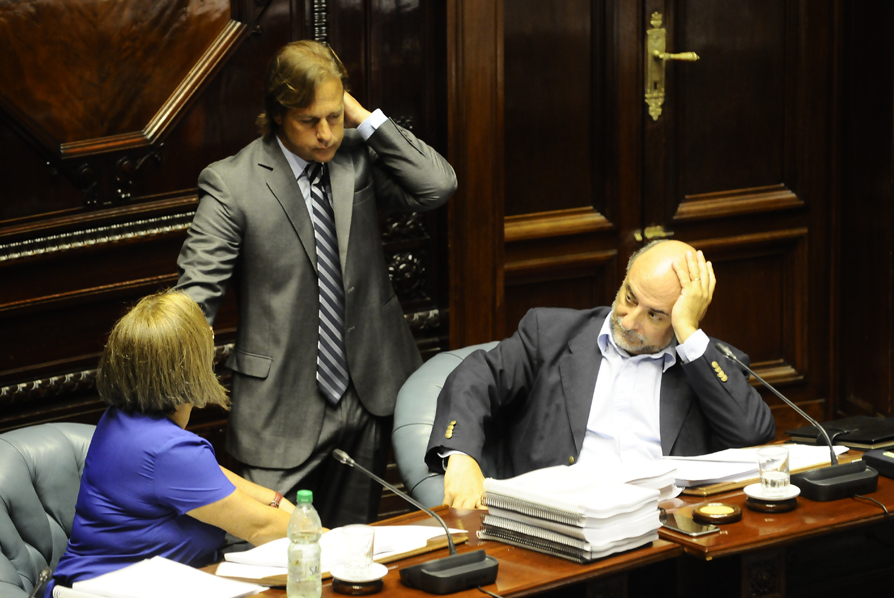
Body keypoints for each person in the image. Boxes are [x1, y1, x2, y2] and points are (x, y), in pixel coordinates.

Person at [176, 40, 457, 527]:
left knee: (350, 555)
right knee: (268, 562)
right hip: (279, 410)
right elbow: (195, 299)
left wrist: (361, 115)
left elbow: (437, 185)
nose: (326, 134)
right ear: (279, 113)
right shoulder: (231, 184)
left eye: (333, 116)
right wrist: (168, 404)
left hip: (367, 395)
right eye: (310, 121)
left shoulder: (354, 156)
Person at [425, 240, 776, 508]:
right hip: (560, 520)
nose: (629, 320)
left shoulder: (703, 362)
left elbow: (752, 434)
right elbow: (474, 378)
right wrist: (461, 456)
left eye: (655, 315)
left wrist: (688, 332)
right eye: (629, 296)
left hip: (665, 530)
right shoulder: (548, 335)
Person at [49, 291, 294, 594]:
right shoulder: (168, 451)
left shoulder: (121, 420)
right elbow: (261, 528)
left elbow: (212, 477)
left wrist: (278, 502)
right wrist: (330, 539)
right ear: (188, 366)